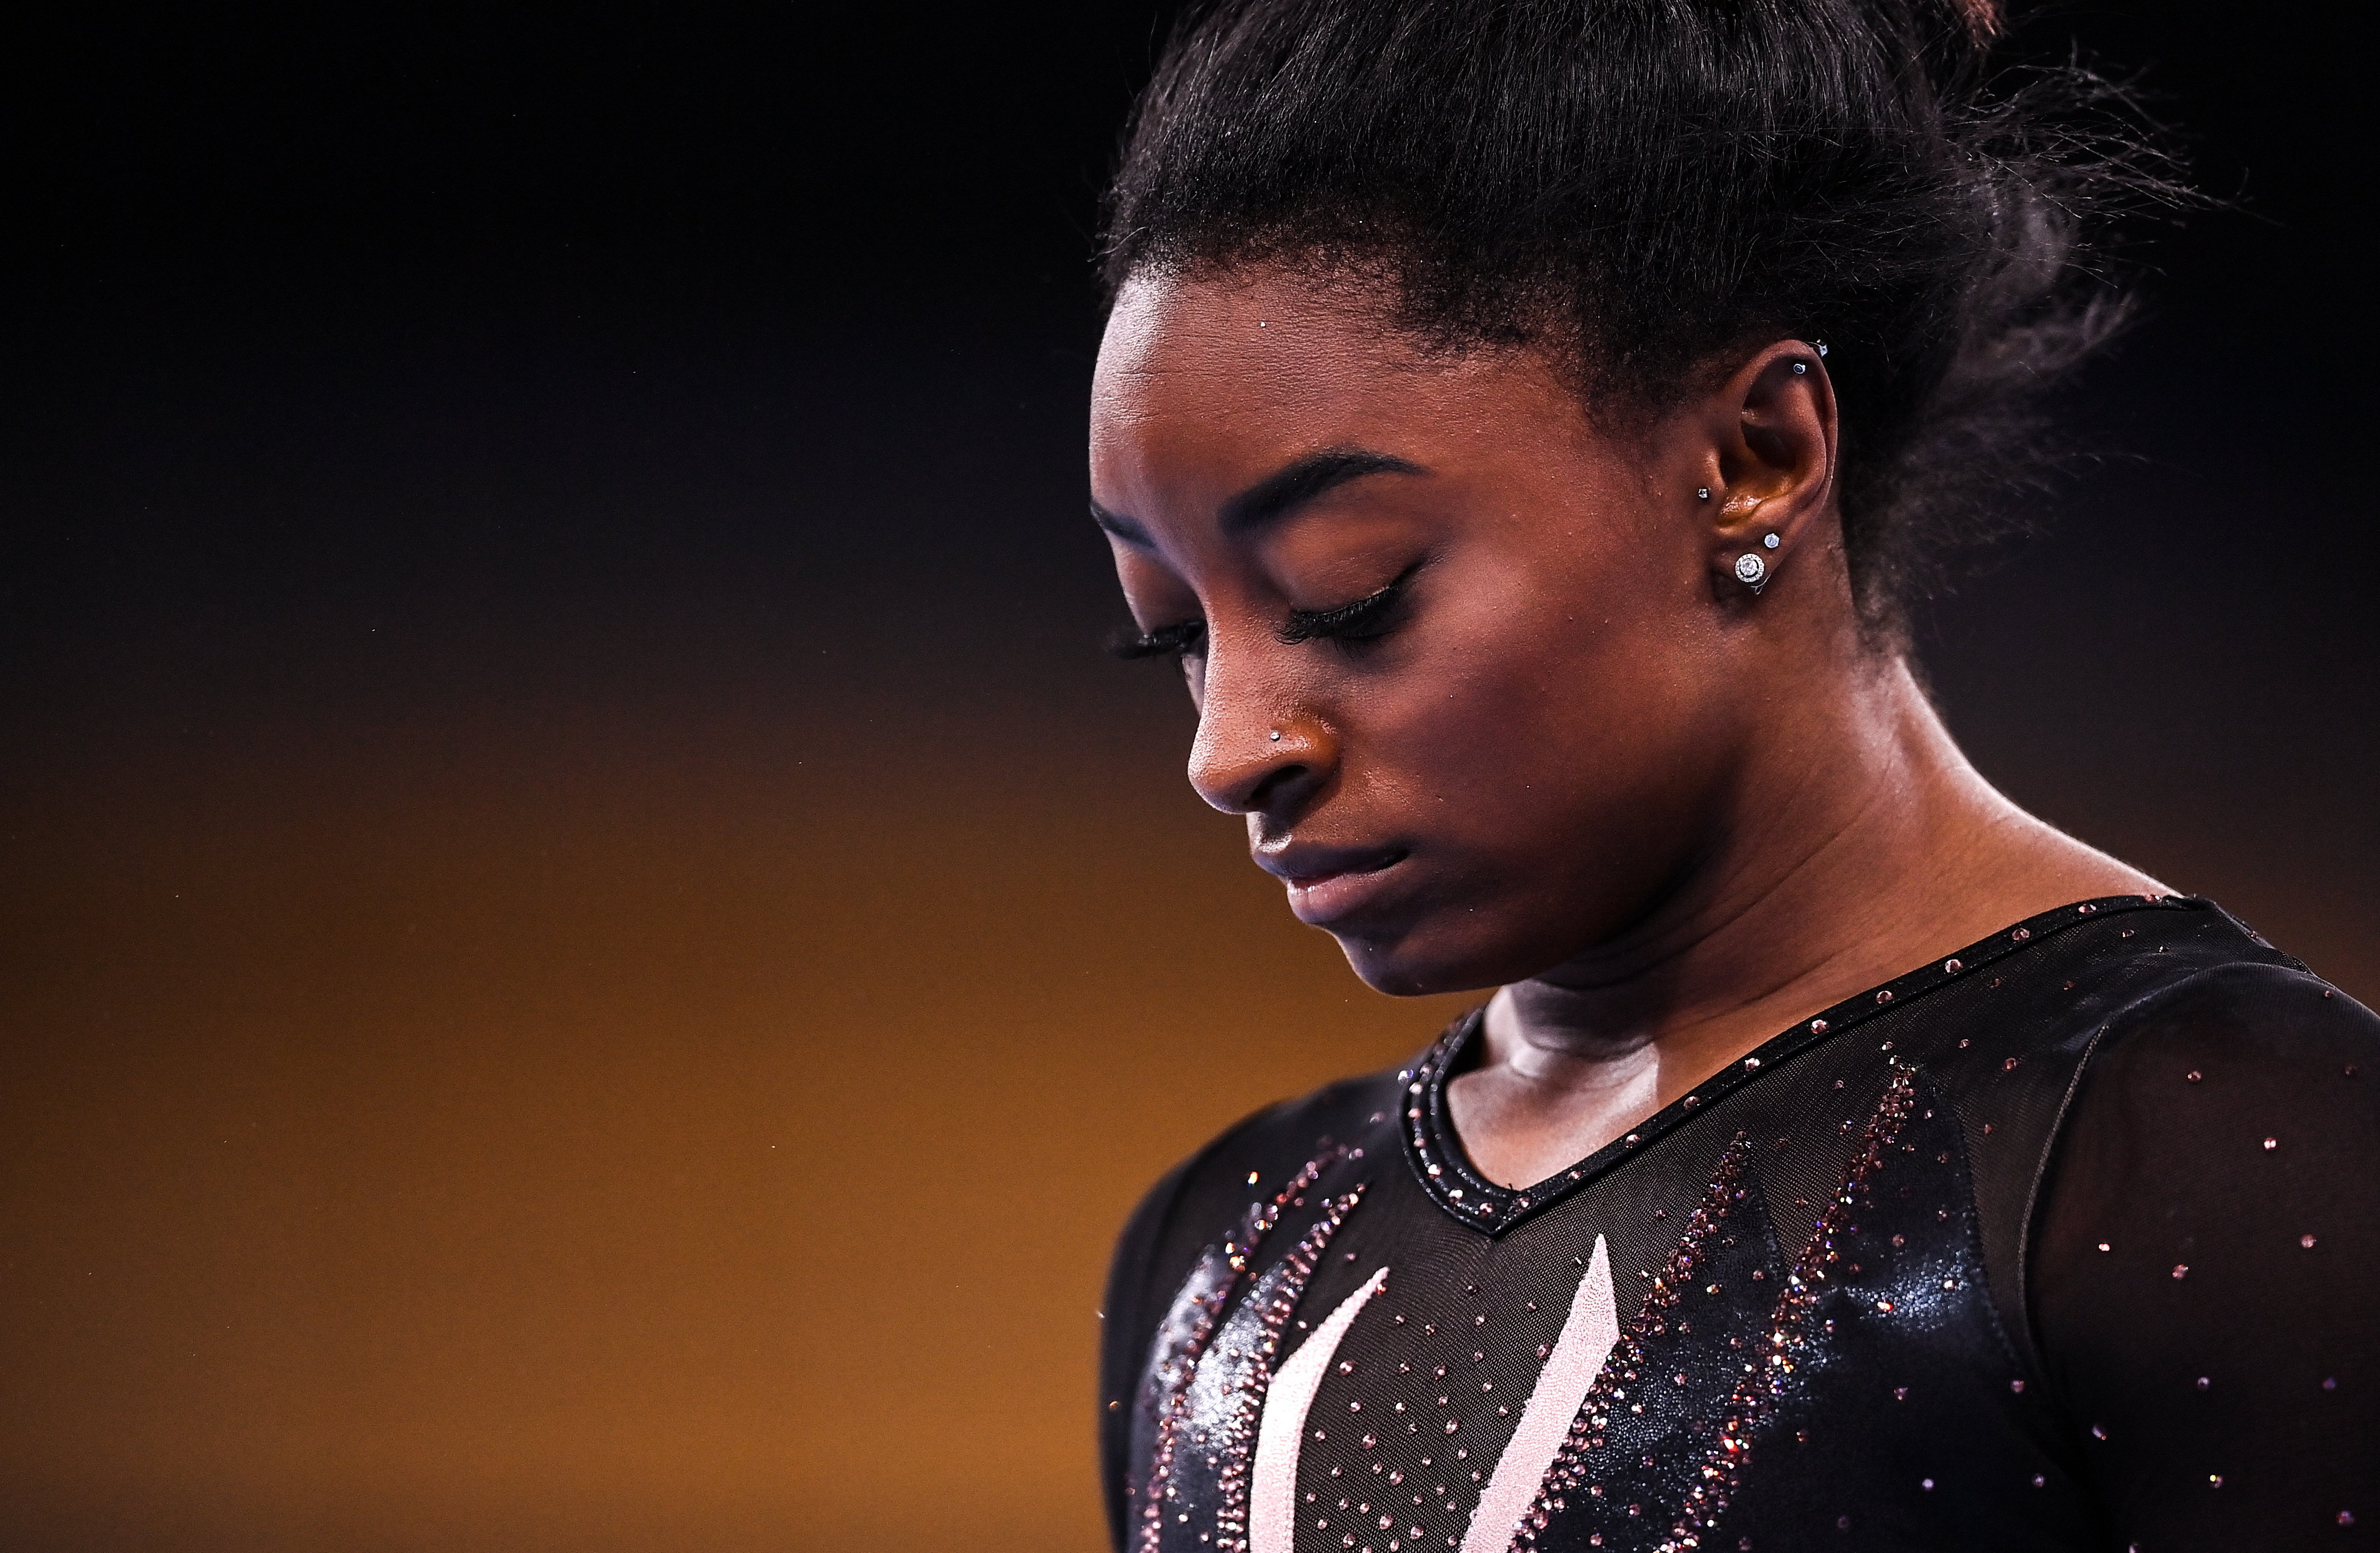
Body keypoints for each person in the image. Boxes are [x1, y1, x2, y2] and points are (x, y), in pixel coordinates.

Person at [1083, 2, 2378, 1549]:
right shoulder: (1227, 1249)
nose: (1230, 750)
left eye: (1350, 594)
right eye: (1170, 635)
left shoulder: (2218, 1153)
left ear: (1758, 455)